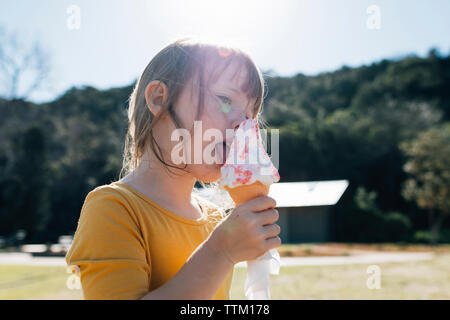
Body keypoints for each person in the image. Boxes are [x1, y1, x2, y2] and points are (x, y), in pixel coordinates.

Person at [65, 38, 281, 300]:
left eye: (250, 114)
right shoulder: (113, 208)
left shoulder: (215, 218)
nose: (244, 125)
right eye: (225, 99)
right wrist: (220, 252)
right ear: (159, 99)